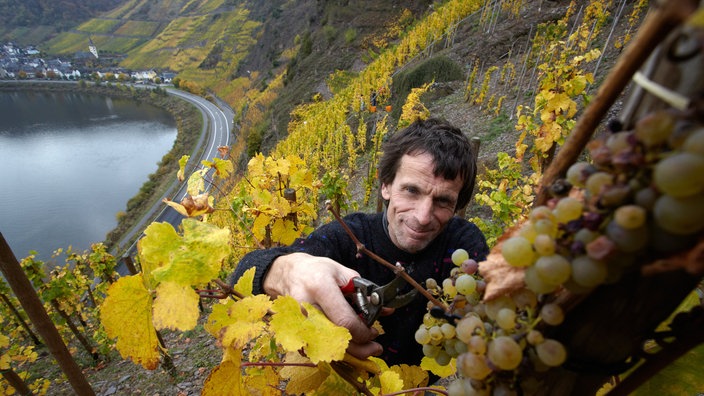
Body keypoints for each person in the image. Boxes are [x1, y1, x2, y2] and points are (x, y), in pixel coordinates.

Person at [230, 117, 489, 367]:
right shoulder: (348, 237)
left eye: (443, 201)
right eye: (411, 191)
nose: (422, 217)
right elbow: (243, 275)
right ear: (386, 185)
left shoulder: (463, 246)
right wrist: (287, 271)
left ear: (457, 206)